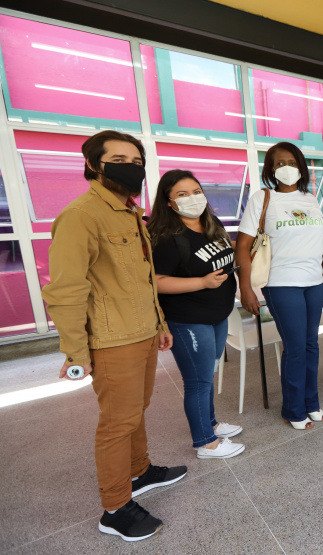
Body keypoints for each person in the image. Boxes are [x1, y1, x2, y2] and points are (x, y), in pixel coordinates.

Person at [41, 130, 185, 542]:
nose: (132, 166)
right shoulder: (82, 215)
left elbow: (140, 278)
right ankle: (115, 507)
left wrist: (158, 324)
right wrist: (75, 353)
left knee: (137, 408)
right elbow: (66, 290)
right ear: (92, 164)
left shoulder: (127, 212)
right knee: (117, 424)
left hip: (139, 331)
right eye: (119, 158)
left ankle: (140, 471)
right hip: (111, 339)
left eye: (137, 159)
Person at [149, 170, 245, 459]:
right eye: (182, 194)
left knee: (207, 374)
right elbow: (155, 280)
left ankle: (211, 423)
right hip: (188, 320)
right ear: (168, 202)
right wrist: (201, 283)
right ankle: (205, 441)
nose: (192, 198)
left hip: (217, 315)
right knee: (197, 381)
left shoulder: (210, 224)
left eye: (196, 191)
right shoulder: (167, 237)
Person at [236, 142, 323, 430]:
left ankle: (311, 402)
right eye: (279, 163)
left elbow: (319, 244)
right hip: (281, 284)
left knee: (312, 344)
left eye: (291, 162)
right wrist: (247, 289)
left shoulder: (310, 199)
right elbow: (242, 247)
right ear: (271, 170)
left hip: (313, 282)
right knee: (296, 347)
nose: (286, 167)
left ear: (301, 166)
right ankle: (292, 407)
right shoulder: (262, 198)